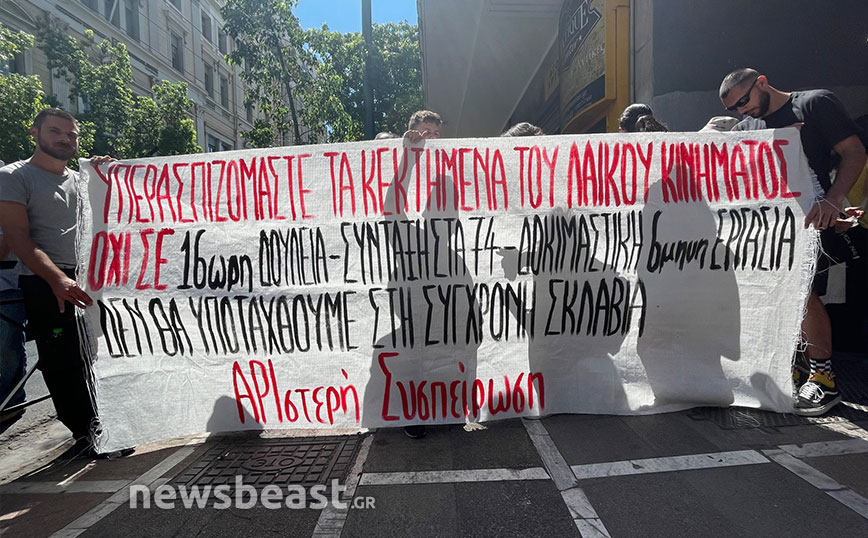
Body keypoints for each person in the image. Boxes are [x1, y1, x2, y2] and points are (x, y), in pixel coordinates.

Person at [719, 68, 868, 416]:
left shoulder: (814, 104)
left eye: (744, 100)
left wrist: (833, 200)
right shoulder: (747, 127)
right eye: (733, 109)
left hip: (813, 218)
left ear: (762, 82)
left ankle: (823, 378)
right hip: (769, 226)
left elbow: (854, 153)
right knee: (781, 297)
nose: (741, 110)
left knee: (801, 294)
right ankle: (799, 370)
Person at [0, 108, 131, 457]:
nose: (65, 139)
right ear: (35, 132)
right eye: (56, 131)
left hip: (90, 276)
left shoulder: (82, 179)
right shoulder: (13, 176)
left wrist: (107, 173)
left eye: (71, 135)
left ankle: (108, 422)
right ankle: (86, 433)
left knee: (99, 355)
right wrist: (57, 279)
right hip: (45, 281)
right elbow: (18, 237)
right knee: (63, 360)